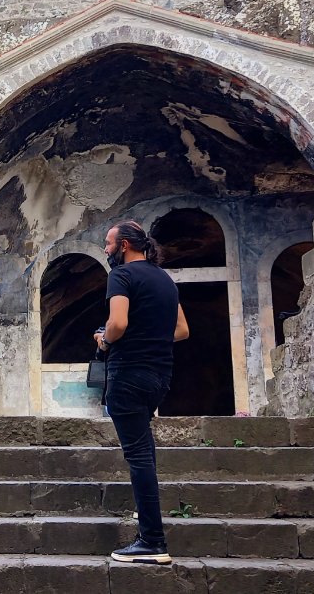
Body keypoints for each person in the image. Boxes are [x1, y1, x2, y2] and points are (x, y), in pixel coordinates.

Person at [94, 220, 189, 565]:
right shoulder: (164, 279)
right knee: (144, 452)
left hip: (128, 374)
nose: (105, 249)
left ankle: (152, 540)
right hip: (159, 376)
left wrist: (104, 338)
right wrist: (149, 338)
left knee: (138, 456)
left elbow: (117, 323)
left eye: (108, 244)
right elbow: (181, 329)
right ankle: (146, 513)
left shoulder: (121, 276)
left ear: (123, 246)